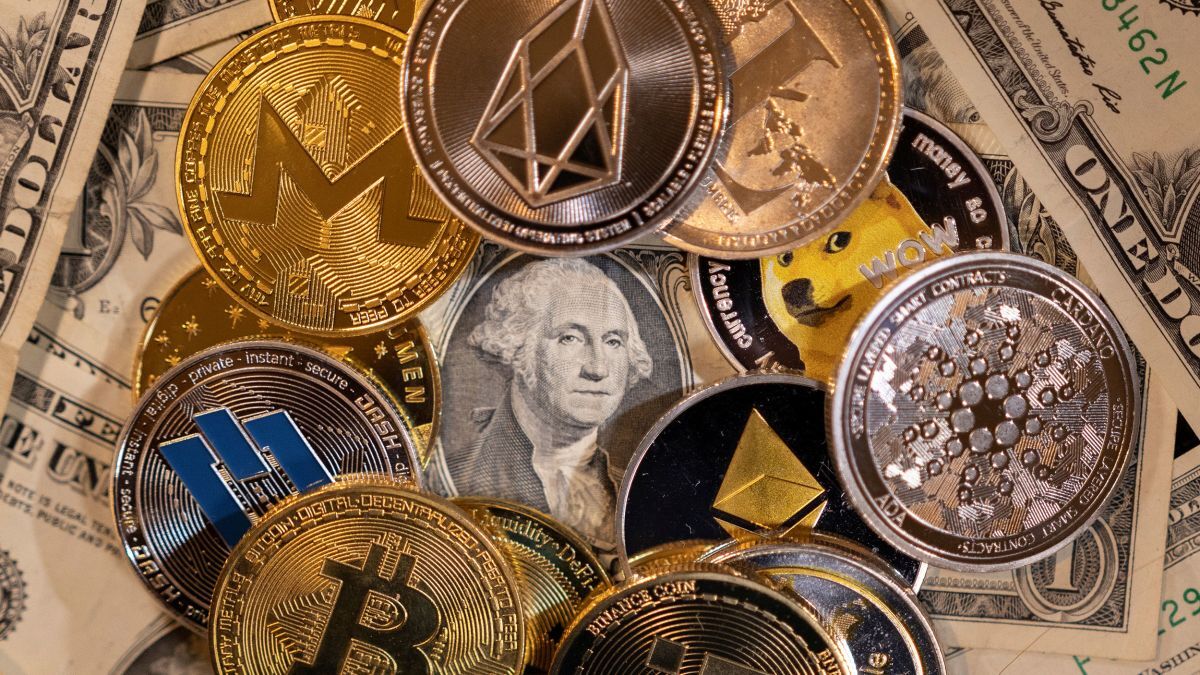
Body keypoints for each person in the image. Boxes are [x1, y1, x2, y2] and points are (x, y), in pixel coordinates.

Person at [452, 258, 653, 550]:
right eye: (570, 338)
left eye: (613, 341)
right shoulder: (453, 478)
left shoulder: (641, 498)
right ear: (517, 347)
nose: (597, 369)